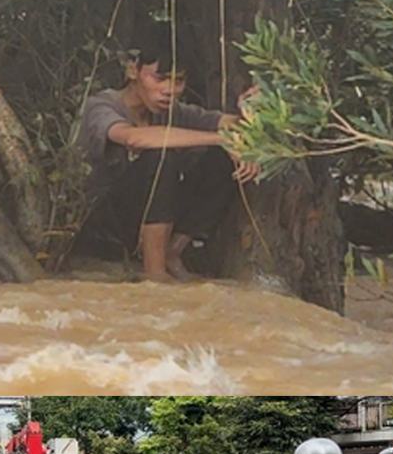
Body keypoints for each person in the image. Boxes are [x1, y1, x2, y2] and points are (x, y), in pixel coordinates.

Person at [73, 21, 258, 282]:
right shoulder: (102, 105)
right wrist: (222, 139)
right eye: (160, 78)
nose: (169, 90)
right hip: (104, 228)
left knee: (220, 158)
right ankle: (155, 272)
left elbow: (225, 122)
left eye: (178, 80)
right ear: (133, 70)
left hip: (150, 220)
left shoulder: (173, 112)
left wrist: (248, 113)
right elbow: (133, 138)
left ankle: (174, 252)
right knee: (163, 155)